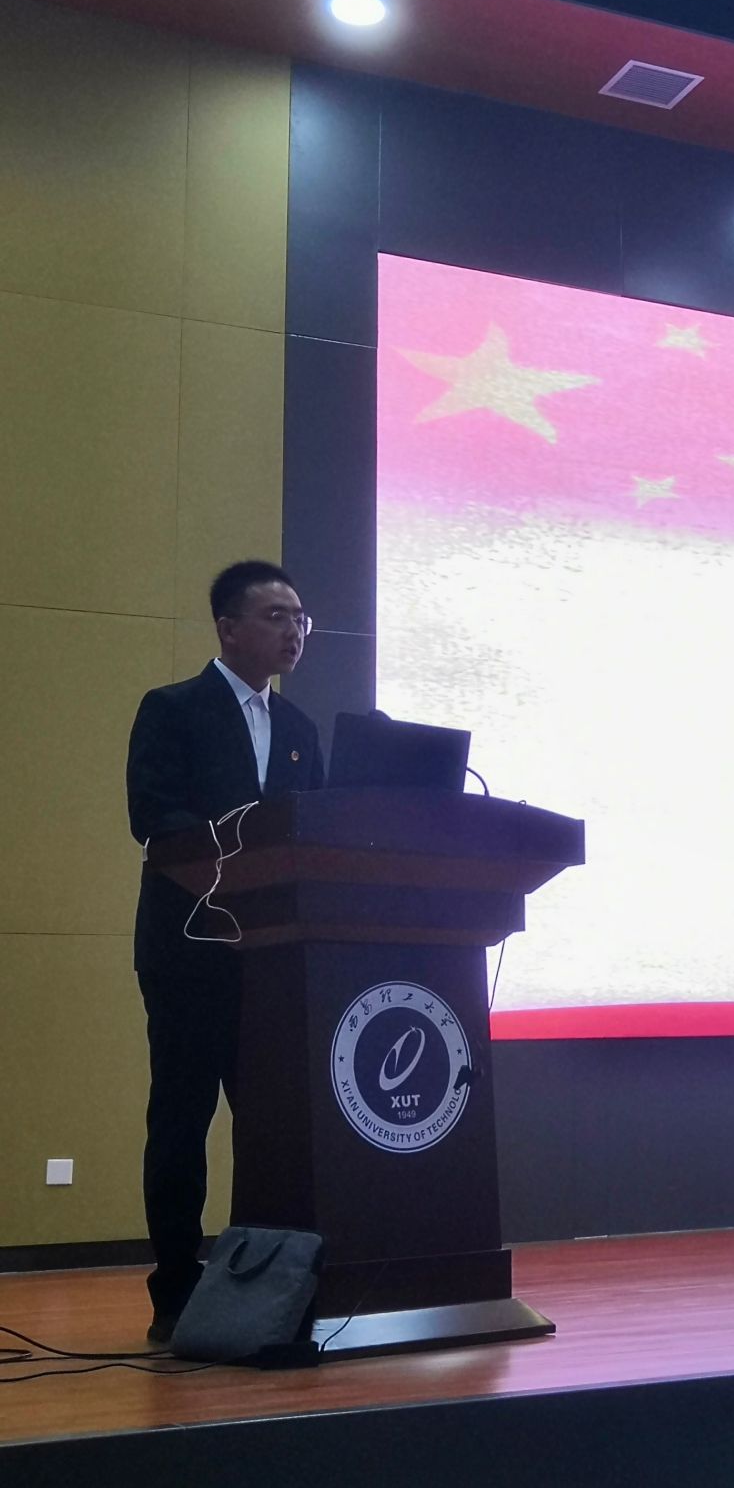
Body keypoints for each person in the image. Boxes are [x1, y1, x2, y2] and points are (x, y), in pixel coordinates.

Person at [125, 561, 326, 1343]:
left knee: (273, 1130)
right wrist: (240, 853)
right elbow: (154, 817)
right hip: (190, 952)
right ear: (228, 627)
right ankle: (175, 1290)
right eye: (276, 615)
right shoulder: (172, 708)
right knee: (182, 1120)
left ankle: (271, 1287)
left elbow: (316, 835)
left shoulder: (300, 729)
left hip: (272, 962)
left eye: (300, 617)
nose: (293, 630)